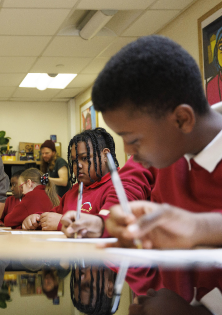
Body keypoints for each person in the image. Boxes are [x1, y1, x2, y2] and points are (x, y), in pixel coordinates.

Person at [90, 35, 222, 312]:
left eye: (133, 139)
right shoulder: (166, 151)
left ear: (181, 119)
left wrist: (198, 228)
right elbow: (130, 179)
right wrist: (112, 219)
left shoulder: (166, 148)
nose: (128, 150)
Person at [46, 128, 154, 233]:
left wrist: (61, 223)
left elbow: (110, 222)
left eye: (84, 158)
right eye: (74, 161)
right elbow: (53, 215)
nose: (77, 165)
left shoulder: (118, 186)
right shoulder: (74, 191)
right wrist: (37, 218)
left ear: (105, 155)